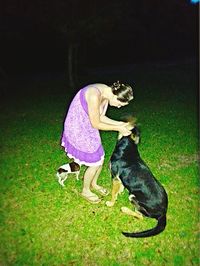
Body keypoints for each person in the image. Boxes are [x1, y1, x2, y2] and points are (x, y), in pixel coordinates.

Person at [61, 81, 134, 203]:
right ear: (115, 95)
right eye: (120, 104)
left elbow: (100, 117)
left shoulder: (106, 93)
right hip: (77, 127)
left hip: (88, 125)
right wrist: (118, 128)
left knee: (100, 156)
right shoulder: (94, 95)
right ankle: (85, 190)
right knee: (95, 162)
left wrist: (121, 124)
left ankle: (93, 183)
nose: (119, 107)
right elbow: (96, 123)